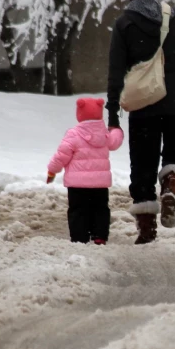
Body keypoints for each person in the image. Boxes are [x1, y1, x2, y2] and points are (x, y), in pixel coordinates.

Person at [106, 0, 175, 245]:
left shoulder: (124, 24)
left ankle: (146, 228)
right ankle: (171, 187)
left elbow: (115, 72)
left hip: (144, 102)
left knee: (143, 162)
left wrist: (112, 113)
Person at [47, 98, 125, 245]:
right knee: (100, 210)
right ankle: (99, 236)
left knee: (77, 211)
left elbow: (61, 156)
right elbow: (115, 142)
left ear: (80, 113)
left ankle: (79, 238)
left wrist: (52, 170)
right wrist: (117, 130)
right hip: (100, 185)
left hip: (77, 186)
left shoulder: (73, 134)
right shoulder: (104, 134)